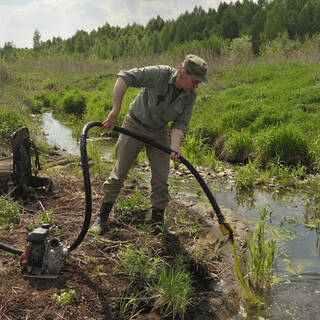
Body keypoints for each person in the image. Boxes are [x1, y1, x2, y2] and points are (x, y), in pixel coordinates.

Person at [90, 54, 208, 235]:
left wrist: (174, 147)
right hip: (135, 125)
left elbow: (180, 123)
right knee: (119, 174)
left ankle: (157, 225)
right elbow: (124, 77)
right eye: (195, 80)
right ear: (183, 73)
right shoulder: (159, 74)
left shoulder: (190, 96)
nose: (197, 85)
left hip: (159, 133)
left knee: (161, 179)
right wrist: (115, 111)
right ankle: (102, 218)